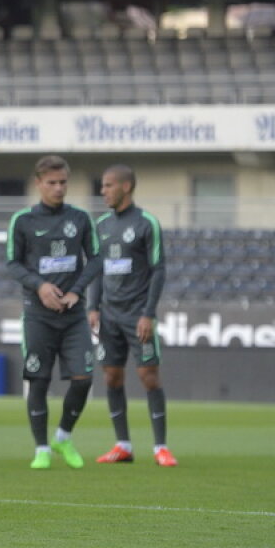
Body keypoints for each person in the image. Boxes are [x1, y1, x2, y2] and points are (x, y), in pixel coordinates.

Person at [6, 155, 101, 470]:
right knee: (39, 381)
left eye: (63, 183)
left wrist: (76, 292)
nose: (58, 188)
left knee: (83, 378)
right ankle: (42, 448)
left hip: (73, 316)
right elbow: (13, 263)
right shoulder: (23, 220)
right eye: (52, 183)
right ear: (38, 183)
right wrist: (40, 287)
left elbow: (97, 260)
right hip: (38, 315)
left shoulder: (81, 218)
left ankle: (63, 435)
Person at [88, 164, 178, 467]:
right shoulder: (101, 225)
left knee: (148, 376)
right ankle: (123, 445)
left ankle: (160, 447)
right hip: (109, 316)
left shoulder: (146, 223)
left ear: (126, 187)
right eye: (102, 186)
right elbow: (97, 269)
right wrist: (92, 306)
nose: (103, 192)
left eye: (108, 185)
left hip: (137, 314)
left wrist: (148, 314)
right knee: (111, 376)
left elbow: (158, 270)